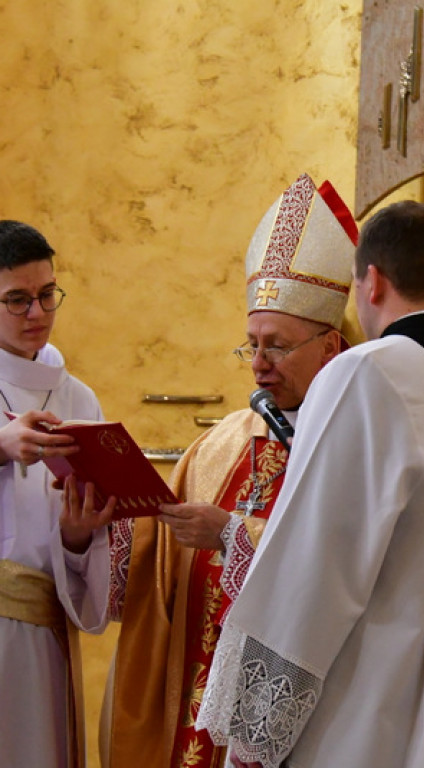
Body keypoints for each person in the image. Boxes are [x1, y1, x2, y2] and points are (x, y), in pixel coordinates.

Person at [195, 200, 424, 768]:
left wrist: (255, 734)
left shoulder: (368, 372)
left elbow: (312, 566)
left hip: (364, 728)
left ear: (372, 281)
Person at [101, 173, 357, 768]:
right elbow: (152, 562)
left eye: (277, 346)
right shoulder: (220, 445)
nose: (259, 366)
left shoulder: (353, 449)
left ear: (331, 346)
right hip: (197, 705)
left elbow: (343, 565)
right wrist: (103, 520)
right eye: (251, 345)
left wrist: (232, 534)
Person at [0, 220, 112, 767]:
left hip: (43, 635)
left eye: (46, 295)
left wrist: (75, 536)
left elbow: (77, 541)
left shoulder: (78, 398)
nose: (37, 314)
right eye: (17, 300)